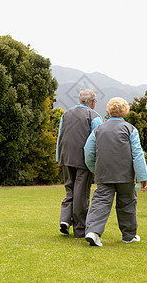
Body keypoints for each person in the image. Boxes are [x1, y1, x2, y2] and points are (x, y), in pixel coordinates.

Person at [84, 97, 147, 247]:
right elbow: (137, 154)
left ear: (109, 110)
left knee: (100, 202)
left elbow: (88, 151)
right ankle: (129, 236)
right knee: (127, 204)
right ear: (125, 111)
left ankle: (93, 232)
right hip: (125, 175)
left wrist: (94, 168)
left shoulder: (98, 129)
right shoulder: (130, 129)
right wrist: (143, 177)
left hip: (104, 174)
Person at [56, 89, 103, 238]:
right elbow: (97, 142)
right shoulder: (95, 116)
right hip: (83, 161)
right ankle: (80, 230)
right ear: (93, 102)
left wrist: (59, 157)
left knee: (69, 190)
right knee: (81, 195)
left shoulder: (66, 114)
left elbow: (59, 137)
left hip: (65, 157)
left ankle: (65, 220)